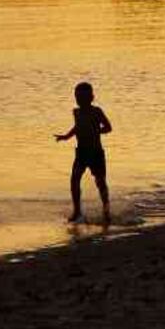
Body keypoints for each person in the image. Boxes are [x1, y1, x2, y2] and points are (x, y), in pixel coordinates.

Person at [54, 81, 113, 224]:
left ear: (91, 97)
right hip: (81, 153)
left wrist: (95, 130)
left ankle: (106, 211)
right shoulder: (77, 112)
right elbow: (77, 127)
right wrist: (66, 137)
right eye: (77, 97)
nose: (79, 100)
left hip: (96, 153)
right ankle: (77, 212)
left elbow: (108, 128)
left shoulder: (96, 111)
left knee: (100, 182)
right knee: (74, 180)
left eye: (83, 97)